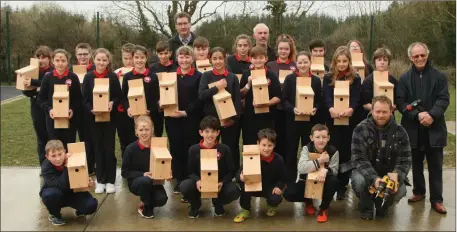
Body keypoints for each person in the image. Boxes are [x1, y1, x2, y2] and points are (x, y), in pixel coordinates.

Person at [396, 42, 450, 214]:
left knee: (435, 165)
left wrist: (431, 115)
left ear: (427, 54)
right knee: (416, 164)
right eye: (416, 56)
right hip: (412, 129)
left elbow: (443, 99)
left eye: (422, 55)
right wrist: (417, 115)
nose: (419, 58)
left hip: (434, 128)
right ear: (410, 58)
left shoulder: (439, 77)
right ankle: (419, 192)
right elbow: (400, 102)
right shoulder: (404, 79)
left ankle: (437, 199)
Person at [351, 95, 411, 219]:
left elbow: (405, 161)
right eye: (377, 111)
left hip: (389, 172)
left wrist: (395, 177)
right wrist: (374, 179)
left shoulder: (401, 132)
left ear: (391, 112)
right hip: (366, 171)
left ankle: (382, 205)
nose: (381, 115)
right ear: (372, 111)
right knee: (359, 182)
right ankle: (365, 206)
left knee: (400, 190)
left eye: (385, 112)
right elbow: (358, 158)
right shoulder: (360, 129)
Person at [180, 116, 240, 219]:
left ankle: (218, 203)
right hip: (200, 183)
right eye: (207, 131)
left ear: (218, 132)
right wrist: (197, 180)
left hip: (218, 184)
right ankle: (195, 205)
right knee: (184, 186)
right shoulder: (193, 150)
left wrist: (222, 182)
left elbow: (231, 171)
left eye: (213, 131)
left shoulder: (224, 149)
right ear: (201, 132)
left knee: (234, 190)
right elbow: (190, 172)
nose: (210, 135)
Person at [322, 46, 361, 200]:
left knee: (345, 152)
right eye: (339, 61)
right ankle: (332, 182)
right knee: (333, 151)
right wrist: (331, 108)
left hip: (349, 120)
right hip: (333, 119)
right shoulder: (328, 77)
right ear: (334, 62)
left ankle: (343, 185)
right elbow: (326, 96)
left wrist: (351, 108)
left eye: (345, 61)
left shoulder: (355, 78)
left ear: (349, 62)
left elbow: (356, 97)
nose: (342, 64)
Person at [82, 48, 122, 194]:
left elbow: (119, 95)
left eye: (104, 60)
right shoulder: (88, 77)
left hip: (110, 119)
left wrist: (113, 103)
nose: (101, 62)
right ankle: (101, 180)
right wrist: (91, 109)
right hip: (93, 119)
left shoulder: (112, 77)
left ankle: (111, 180)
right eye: (99, 59)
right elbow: (84, 98)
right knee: (97, 148)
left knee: (109, 148)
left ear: (108, 61)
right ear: (94, 60)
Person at [164, 46, 203, 197]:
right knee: (176, 148)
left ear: (192, 59)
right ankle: (179, 180)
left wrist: (186, 112)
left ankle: (191, 179)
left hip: (191, 119)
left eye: (187, 57)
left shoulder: (198, 76)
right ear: (176, 58)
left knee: (190, 149)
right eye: (181, 57)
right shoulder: (170, 75)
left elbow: (199, 98)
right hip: (172, 119)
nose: (184, 60)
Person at [283, 124, 339, 223]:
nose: (321, 140)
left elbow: (334, 171)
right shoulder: (306, 149)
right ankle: (308, 201)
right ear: (311, 138)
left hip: (323, 181)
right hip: (307, 181)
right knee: (289, 193)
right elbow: (301, 168)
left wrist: (325, 170)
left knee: (334, 181)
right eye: (317, 137)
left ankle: (323, 209)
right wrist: (320, 161)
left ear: (328, 138)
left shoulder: (333, 151)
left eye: (324, 137)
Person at [198, 47, 242, 168]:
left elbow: (237, 100)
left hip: (229, 120)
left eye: (220, 58)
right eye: (215, 58)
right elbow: (201, 95)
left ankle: (233, 172)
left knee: (231, 146)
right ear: (210, 60)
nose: (218, 61)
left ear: (225, 59)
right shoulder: (206, 76)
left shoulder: (232, 77)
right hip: (211, 119)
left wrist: (233, 119)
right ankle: (211, 171)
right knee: (211, 146)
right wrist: (216, 87)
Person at [281, 51, 321, 181]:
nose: (303, 65)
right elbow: (284, 99)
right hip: (292, 121)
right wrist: (293, 109)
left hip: (309, 122)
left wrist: (315, 108)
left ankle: (306, 180)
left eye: (305, 62)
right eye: (300, 62)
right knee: (291, 151)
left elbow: (319, 100)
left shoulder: (315, 80)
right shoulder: (290, 79)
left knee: (308, 151)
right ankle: (290, 180)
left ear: (310, 63)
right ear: (296, 63)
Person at [40, 140, 98, 226]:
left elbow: (81, 177)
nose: (58, 159)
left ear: (65, 152)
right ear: (47, 157)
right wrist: (67, 166)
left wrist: (88, 182)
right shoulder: (46, 167)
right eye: (53, 156)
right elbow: (62, 185)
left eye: (60, 154)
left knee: (91, 205)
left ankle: (80, 209)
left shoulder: (74, 160)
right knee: (50, 195)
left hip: (72, 192)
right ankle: (54, 214)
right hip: (56, 193)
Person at [233, 128, 286, 223]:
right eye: (264, 145)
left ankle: (271, 205)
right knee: (244, 186)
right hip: (253, 186)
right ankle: (245, 209)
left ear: (274, 145)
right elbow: (238, 173)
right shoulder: (250, 157)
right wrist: (240, 177)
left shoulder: (278, 159)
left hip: (269, 187)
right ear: (258, 144)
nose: (266, 148)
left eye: (270, 145)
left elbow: (282, 178)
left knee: (275, 198)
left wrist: (279, 186)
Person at [121, 115, 169, 218]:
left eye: (147, 129)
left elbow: (165, 163)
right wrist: (142, 174)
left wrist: (167, 172)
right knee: (145, 181)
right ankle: (146, 208)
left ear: (152, 130)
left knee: (162, 199)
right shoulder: (131, 149)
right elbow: (124, 172)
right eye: (141, 130)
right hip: (136, 182)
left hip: (154, 182)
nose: (144, 132)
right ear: (136, 131)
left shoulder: (158, 147)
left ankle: (146, 201)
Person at [38, 49, 82, 150]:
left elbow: (78, 99)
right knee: (55, 147)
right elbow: (41, 99)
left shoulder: (73, 77)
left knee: (69, 146)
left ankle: (68, 166)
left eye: (63, 60)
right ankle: (56, 165)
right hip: (52, 120)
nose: (60, 63)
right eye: (57, 60)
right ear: (52, 61)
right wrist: (49, 110)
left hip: (69, 120)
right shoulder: (48, 78)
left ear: (67, 62)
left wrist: (73, 109)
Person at [239, 45, 281, 145]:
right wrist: (248, 84)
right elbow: (240, 95)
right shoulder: (246, 74)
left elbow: (278, 97)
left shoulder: (271, 75)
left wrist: (265, 103)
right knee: (250, 144)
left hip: (267, 117)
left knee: (266, 144)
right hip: (250, 117)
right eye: (255, 58)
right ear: (250, 59)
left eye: (261, 57)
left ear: (266, 59)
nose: (258, 60)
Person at [122, 45, 162, 137]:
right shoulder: (127, 76)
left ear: (146, 58)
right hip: (134, 116)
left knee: (153, 140)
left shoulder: (153, 76)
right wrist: (128, 108)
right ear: (132, 58)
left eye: (142, 57)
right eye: (136, 57)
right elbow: (123, 96)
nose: (139, 60)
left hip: (151, 115)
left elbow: (157, 97)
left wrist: (150, 110)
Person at [22, 46, 53, 166]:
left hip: (51, 107)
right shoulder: (32, 71)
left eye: (44, 57)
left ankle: (56, 165)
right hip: (36, 107)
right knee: (41, 138)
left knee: (53, 137)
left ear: (49, 58)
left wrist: (35, 84)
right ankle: (44, 166)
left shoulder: (53, 70)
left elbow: (52, 85)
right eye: (38, 57)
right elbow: (25, 91)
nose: (41, 60)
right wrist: (37, 91)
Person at [114, 43, 137, 159]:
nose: (128, 61)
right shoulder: (116, 73)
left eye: (131, 58)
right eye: (125, 58)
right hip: (120, 111)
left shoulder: (139, 71)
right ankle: (125, 166)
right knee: (123, 140)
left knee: (136, 139)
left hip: (137, 110)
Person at [361, 47, 398, 113]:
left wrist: (391, 108)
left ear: (388, 62)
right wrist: (377, 110)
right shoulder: (368, 81)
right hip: (371, 117)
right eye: (379, 60)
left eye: (385, 60)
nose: (382, 62)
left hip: (389, 117)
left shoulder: (393, 81)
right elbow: (364, 104)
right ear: (374, 62)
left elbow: (397, 102)